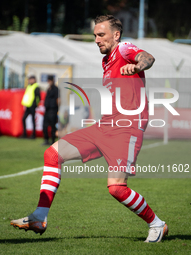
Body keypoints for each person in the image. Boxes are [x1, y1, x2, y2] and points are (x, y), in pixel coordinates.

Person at [11, 15, 168, 243]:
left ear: (116, 35)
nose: (96, 39)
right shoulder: (107, 61)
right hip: (105, 126)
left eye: (101, 35)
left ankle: (157, 224)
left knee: (116, 188)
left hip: (126, 128)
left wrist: (137, 65)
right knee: (52, 153)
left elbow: (148, 58)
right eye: (95, 35)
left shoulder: (124, 49)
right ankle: (39, 217)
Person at [42, 75, 59, 145]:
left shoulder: (56, 89)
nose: (49, 82)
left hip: (53, 110)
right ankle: (46, 140)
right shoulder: (48, 89)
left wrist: (57, 110)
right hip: (47, 110)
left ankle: (52, 141)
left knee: (52, 126)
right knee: (44, 126)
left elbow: (58, 100)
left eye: (50, 80)